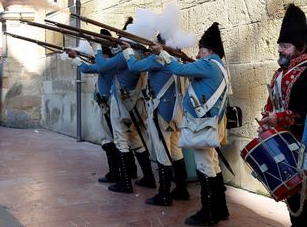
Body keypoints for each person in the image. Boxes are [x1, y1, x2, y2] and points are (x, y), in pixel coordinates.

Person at [152, 22, 229, 226]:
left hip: (202, 124)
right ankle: (221, 209)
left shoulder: (207, 64)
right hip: (211, 123)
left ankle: (208, 213)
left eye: (200, 50)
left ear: (209, 50)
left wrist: (163, 53)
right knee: (212, 165)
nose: (198, 54)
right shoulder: (217, 65)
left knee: (204, 166)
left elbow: (177, 69)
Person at [122, 35, 189, 206]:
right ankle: (181, 189)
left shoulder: (158, 58)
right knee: (175, 150)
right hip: (175, 112)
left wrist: (128, 50)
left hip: (161, 112)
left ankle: (164, 194)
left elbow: (133, 67)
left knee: (161, 150)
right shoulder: (173, 58)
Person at [258, 4, 307, 227]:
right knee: (293, 199)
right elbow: (273, 103)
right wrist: (268, 116)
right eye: (280, 46)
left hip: (303, 144)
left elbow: (303, 111)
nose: (280, 50)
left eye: (285, 46)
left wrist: (281, 118)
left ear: (301, 47)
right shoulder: (280, 73)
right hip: (284, 144)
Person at [93, 40, 156, 193]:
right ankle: (149, 177)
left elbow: (102, 66)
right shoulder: (140, 56)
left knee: (121, 141)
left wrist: (97, 49)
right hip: (134, 104)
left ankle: (125, 183)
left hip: (121, 104)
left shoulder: (125, 56)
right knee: (136, 140)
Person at [68, 36, 121, 184]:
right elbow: (94, 66)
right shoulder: (110, 63)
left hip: (108, 106)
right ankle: (125, 171)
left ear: (105, 54)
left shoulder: (107, 64)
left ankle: (115, 173)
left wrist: (75, 58)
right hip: (110, 105)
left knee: (108, 139)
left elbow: (86, 69)